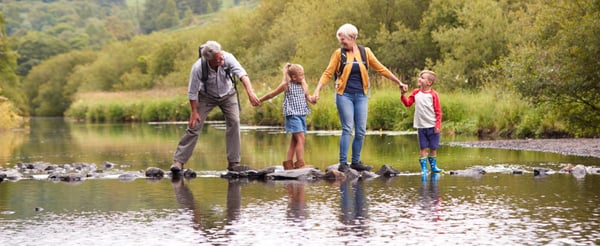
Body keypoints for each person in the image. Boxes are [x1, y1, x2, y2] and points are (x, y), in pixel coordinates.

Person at [312, 23, 409, 172]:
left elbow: (381, 68)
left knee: (361, 130)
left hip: (361, 95)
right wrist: (317, 90)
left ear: (353, 37)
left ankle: (356, 162)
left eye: (343, 39)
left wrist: (399, 82)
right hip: (344, 95)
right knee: (347, 128)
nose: (341, 42)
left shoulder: (366, 52)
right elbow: (328, 73)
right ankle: (343, 163)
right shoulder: (339, 54)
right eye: (340, 40)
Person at [171, 40, 260, 173]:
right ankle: (178, 162)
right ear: (209, 60)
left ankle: (233, 163)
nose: (221, 59)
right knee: (194, 126)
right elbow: (192, 91)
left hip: (228, 94)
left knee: (234, 122)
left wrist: (250, 92)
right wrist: (194, 112)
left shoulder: (227, 57)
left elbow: (242, 74)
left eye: (221, 56)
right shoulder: (198, 67)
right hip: (206, 96)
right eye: (218, 58)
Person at [259, 63, 314, 169]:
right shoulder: (287, 85)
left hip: (301, 114)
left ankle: (288, 163)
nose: (303, 77)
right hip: (292, 115)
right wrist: (260, 100)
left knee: (294, 140)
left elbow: (308, 97)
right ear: (294, 77)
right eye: (301, 75)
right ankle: (300, 163)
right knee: (301, 138)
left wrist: (313, 99)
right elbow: (272, 94)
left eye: (303, 75)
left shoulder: (303, 84)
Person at [400, 70, 443, 174]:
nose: (419, 79)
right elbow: (408, 103)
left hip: (432, 126)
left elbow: (438, 111)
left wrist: (438, 125)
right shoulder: (415, 92)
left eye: (422, 77)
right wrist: (403, 95)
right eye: (420, 77)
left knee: (433, 148)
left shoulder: (434, 95)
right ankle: (424, 169)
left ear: (429, 83)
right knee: (423, 148)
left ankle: (433, 167)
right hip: (421, 126)